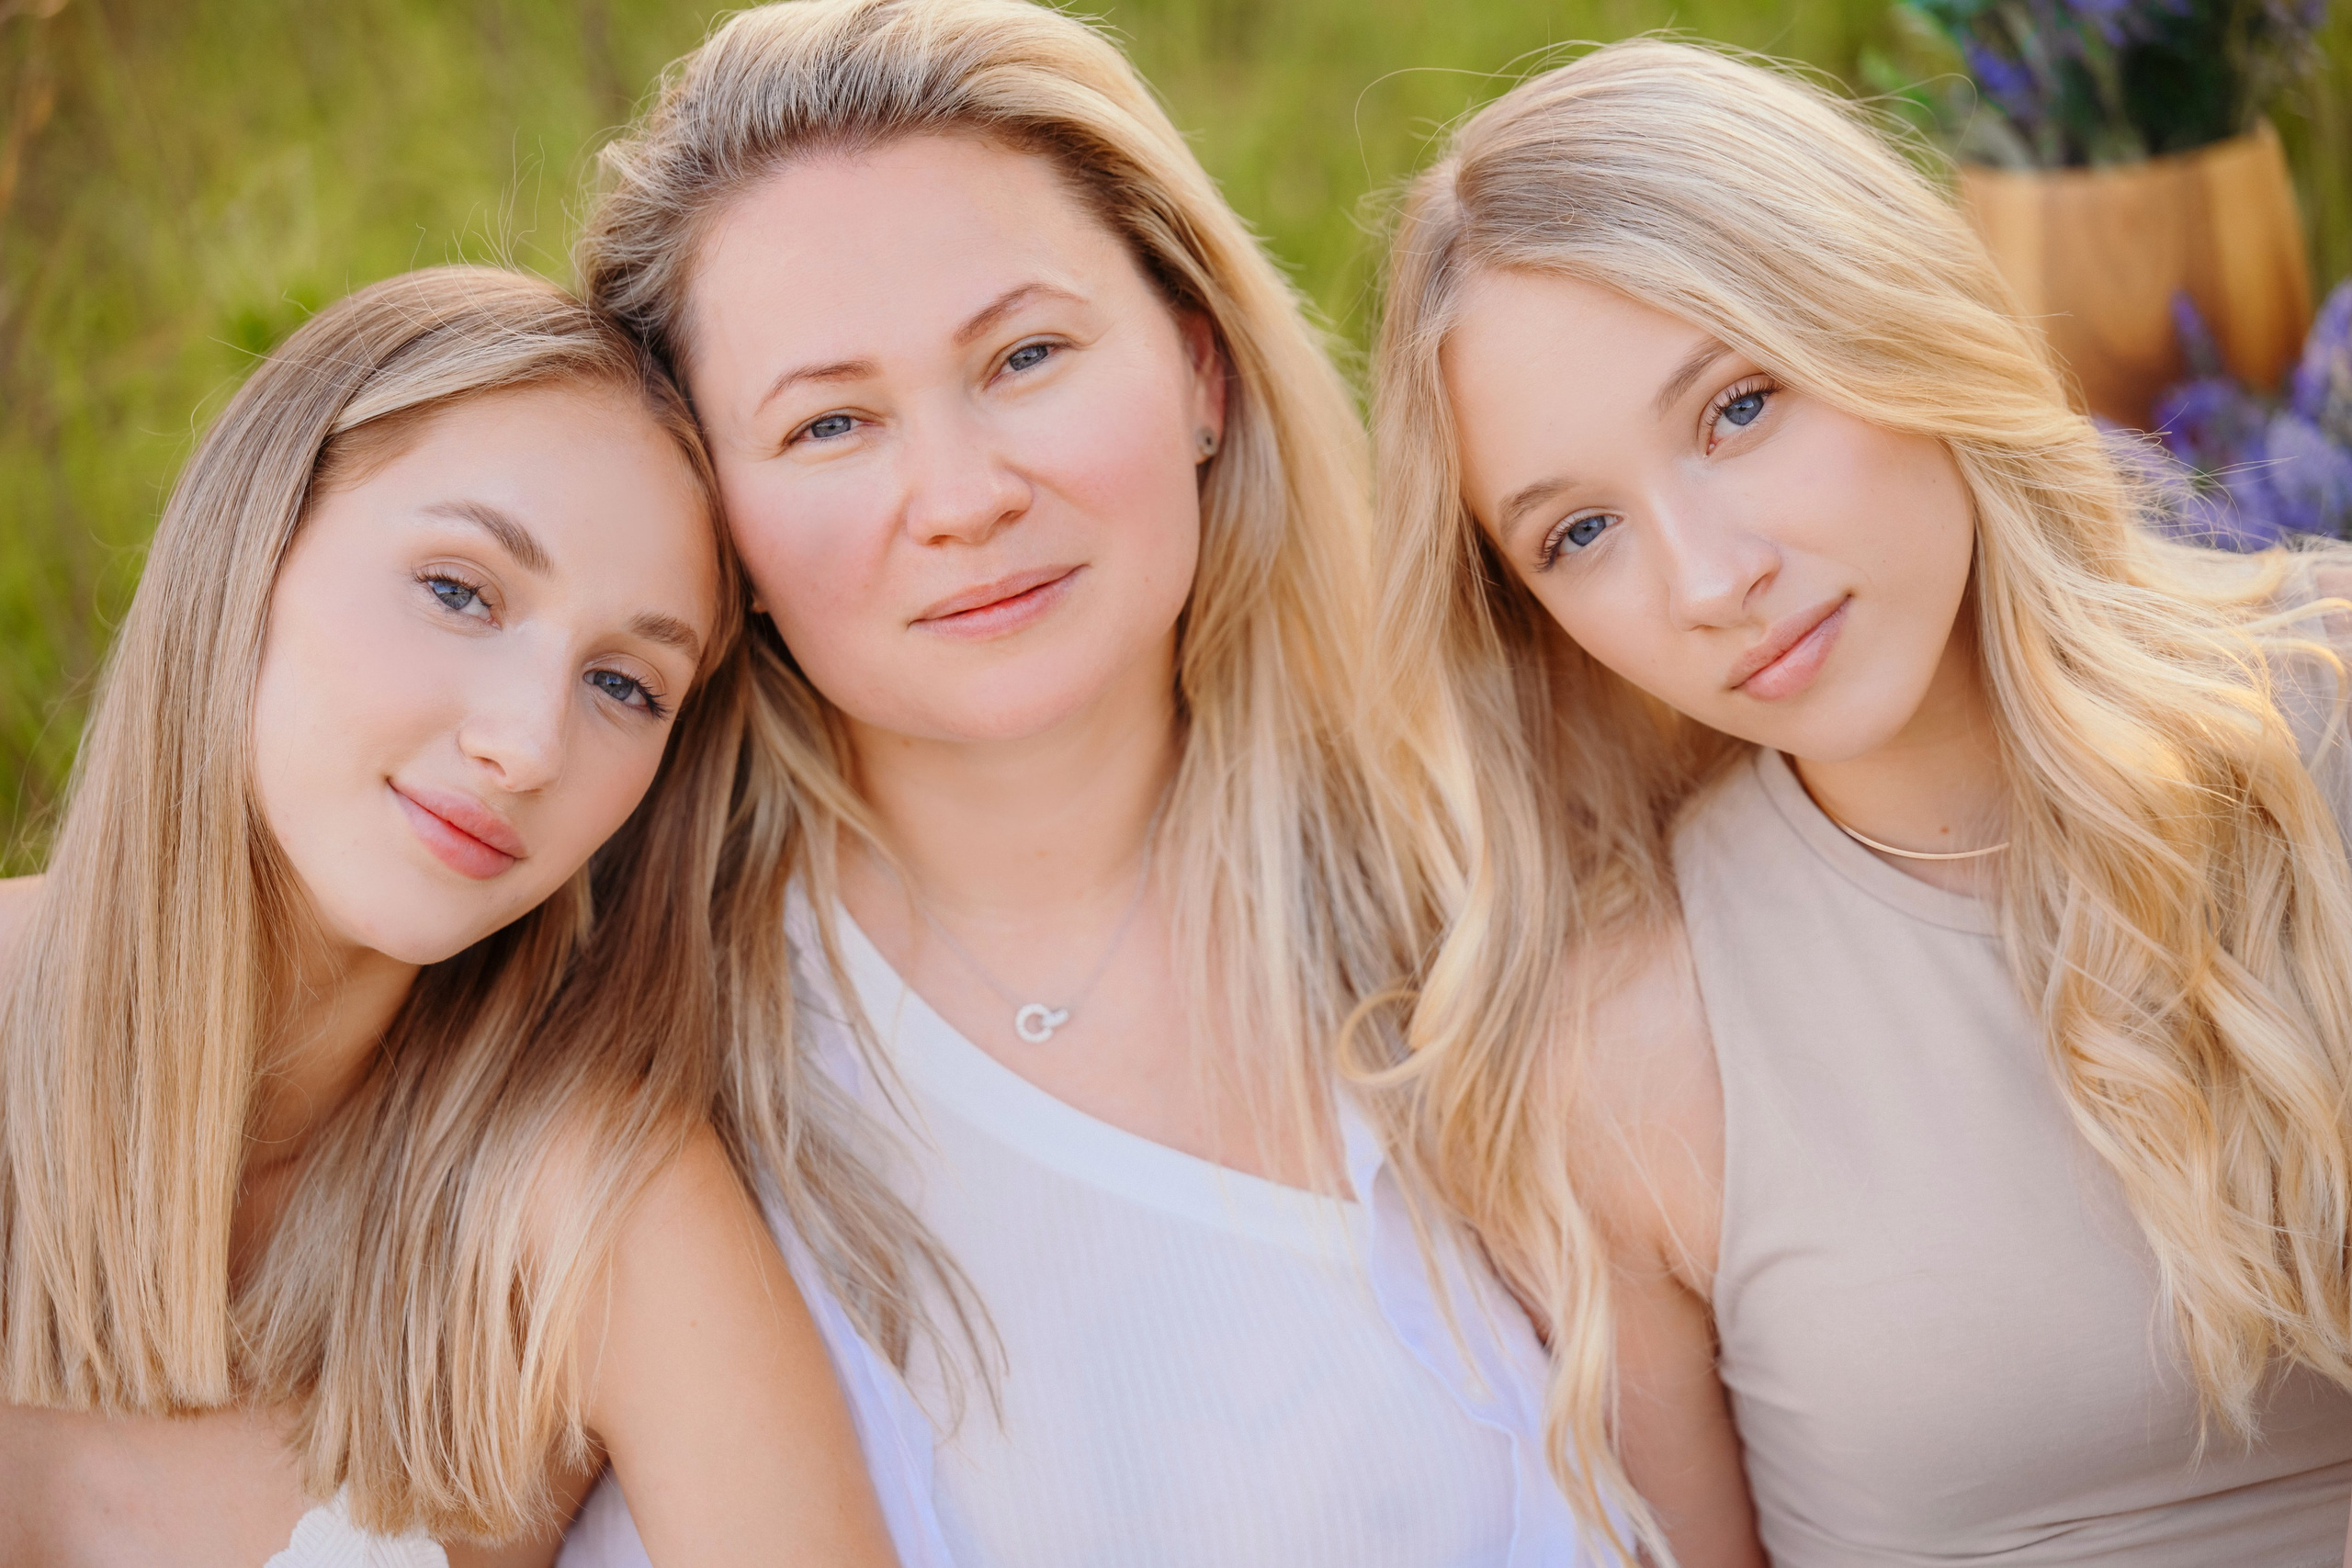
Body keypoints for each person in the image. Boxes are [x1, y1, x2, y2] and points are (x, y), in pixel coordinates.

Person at [558, 2, 1603, 1563]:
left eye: (1026, 356)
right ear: (714, 519)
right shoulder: (606, 1039)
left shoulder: (1519, 892)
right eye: (830, 423)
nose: (967, 499)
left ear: (1199, 368)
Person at [1363, 38, 2352, 1568]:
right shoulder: (1623, 1055)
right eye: (1580, 534)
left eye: (1739, 408)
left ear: (1886, 315)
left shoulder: (2329, 717)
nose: (1709, 582)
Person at [0, 266, 900, 1568]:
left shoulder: (594, 1215)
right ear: (249, 539)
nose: (529, 745)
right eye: (461, 591)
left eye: (623, 683)